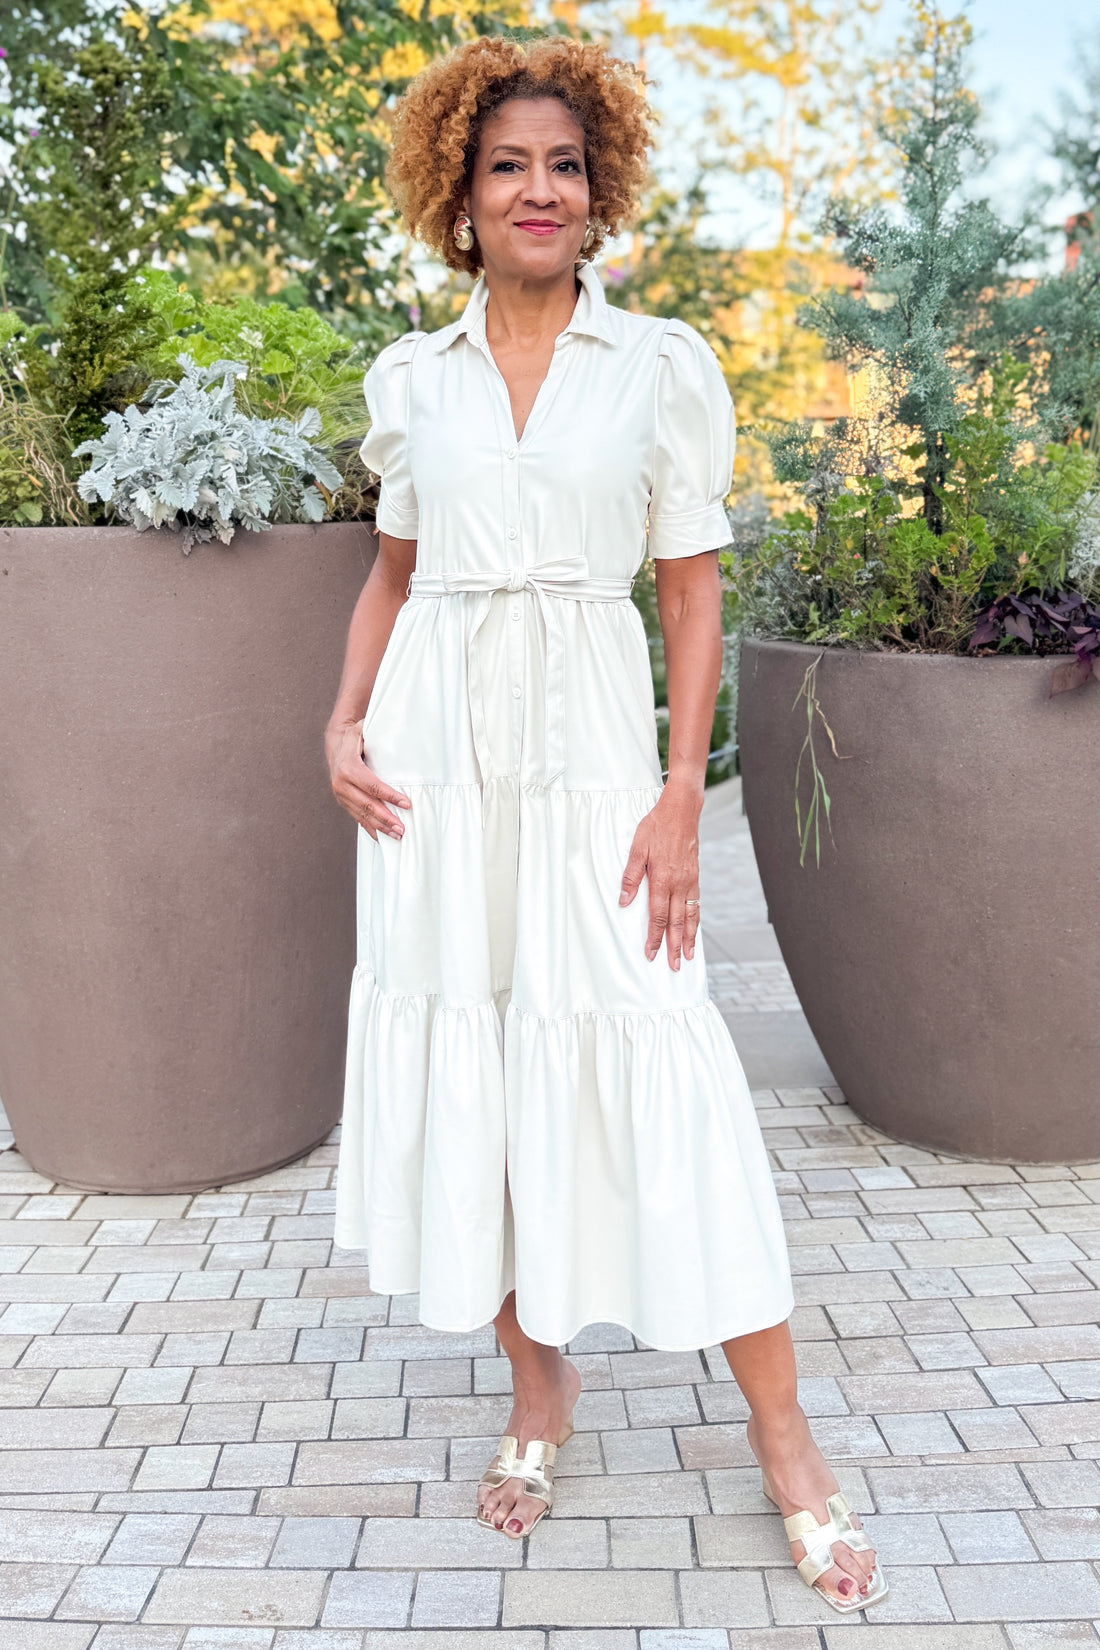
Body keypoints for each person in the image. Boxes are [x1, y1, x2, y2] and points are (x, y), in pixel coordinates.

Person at [324, 33, 887, 1615]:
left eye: (564, 163)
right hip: (438, 763)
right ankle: (539, 1390)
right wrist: (339, 721)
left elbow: (693, 592)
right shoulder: (410, 378)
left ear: (601, 188)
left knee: (665, 1066)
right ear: (459, 190)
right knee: (490, 1060)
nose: (538, 188)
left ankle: (785, 1438)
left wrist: (676, 803)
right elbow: (391, 569)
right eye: (507, 163)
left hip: (586, 762)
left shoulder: (658, 367)